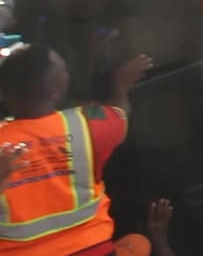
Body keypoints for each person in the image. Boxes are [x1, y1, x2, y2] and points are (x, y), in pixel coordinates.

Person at [0, 44, 151, 255]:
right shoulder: (88, 121)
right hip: (94, 249)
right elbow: (119, 113)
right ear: (54, 90)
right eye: (64, 70)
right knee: (139, 243)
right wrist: (120, 86)